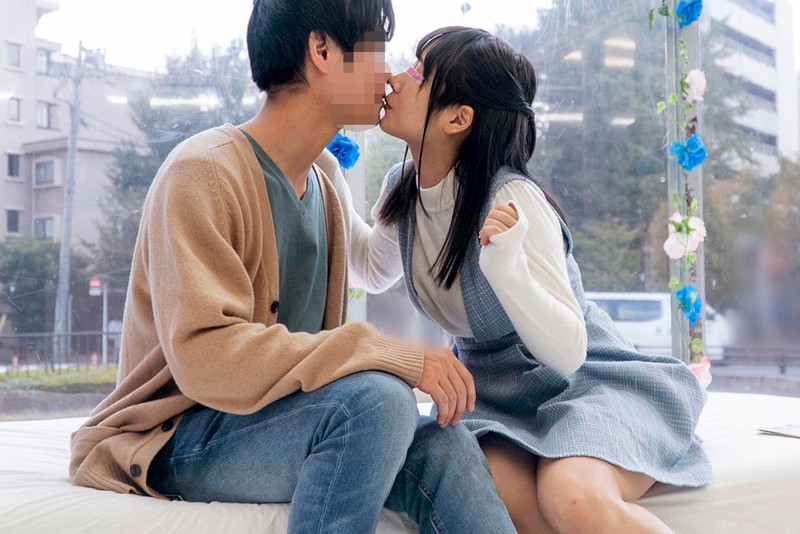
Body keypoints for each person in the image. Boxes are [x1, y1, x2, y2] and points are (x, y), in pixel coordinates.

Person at [69, 4, 517, 532]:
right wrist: (389, 354)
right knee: (378, 401)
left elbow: (361, 287)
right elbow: (205, 358)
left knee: (446, 446)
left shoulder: (324, 185)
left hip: (281, 418)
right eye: (376, 50)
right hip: (176, 432)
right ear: (322, 50)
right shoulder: (204, 173)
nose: (388, 73)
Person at [324, 26, 711, 533]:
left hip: (585, 383)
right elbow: (370, 268)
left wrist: (506, 267)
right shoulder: (405, 189)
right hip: (496, 397)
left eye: (418, 73)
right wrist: (321, 162)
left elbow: (569, 351)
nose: (395, 78)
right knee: (499, 499)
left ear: (458, 118)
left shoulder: (512, 199)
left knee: (572, 498)